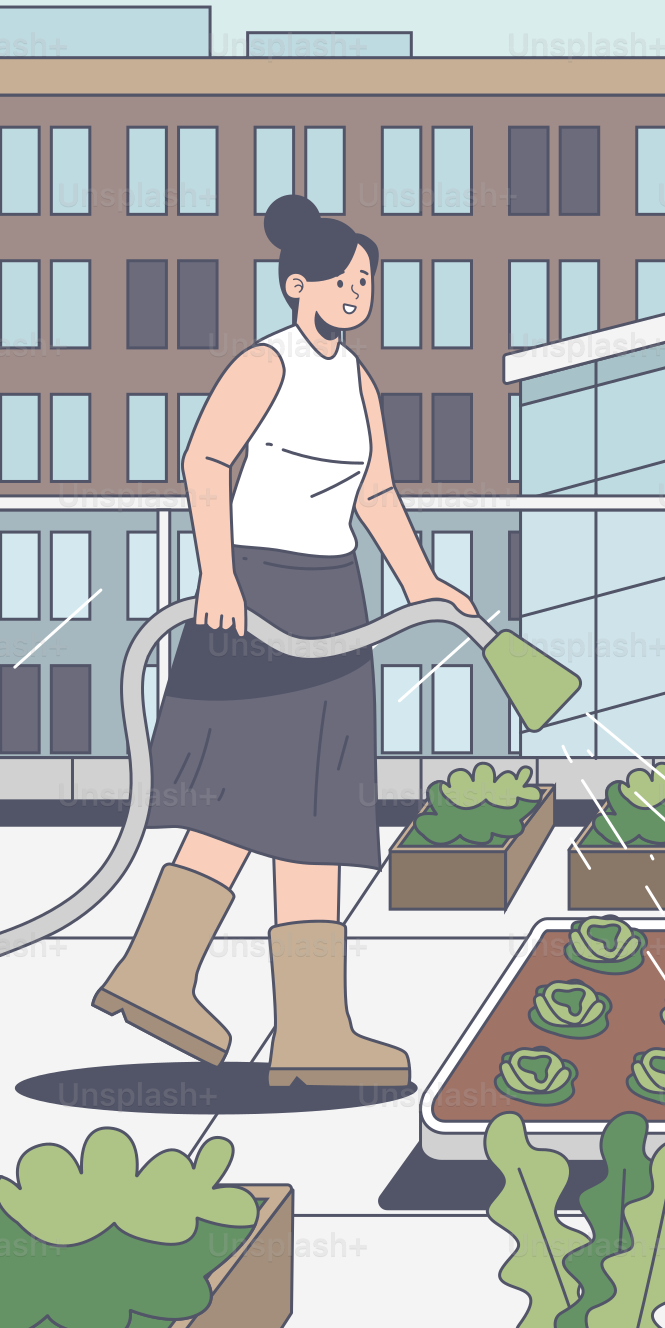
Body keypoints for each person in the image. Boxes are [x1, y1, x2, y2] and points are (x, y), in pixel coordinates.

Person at [91, 193, 475, 1086]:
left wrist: (420, 582)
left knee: (314, 809)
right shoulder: (266, 366)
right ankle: (209, 996)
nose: (356, 294)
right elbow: (205, 461)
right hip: (254, 594)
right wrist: (216, 575)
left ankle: (258, 1013)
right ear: (298, 285)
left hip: (333, 598)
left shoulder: (358, 381)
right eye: (342, 281)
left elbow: (374, 496)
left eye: (367, 282)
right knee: (242, 799)